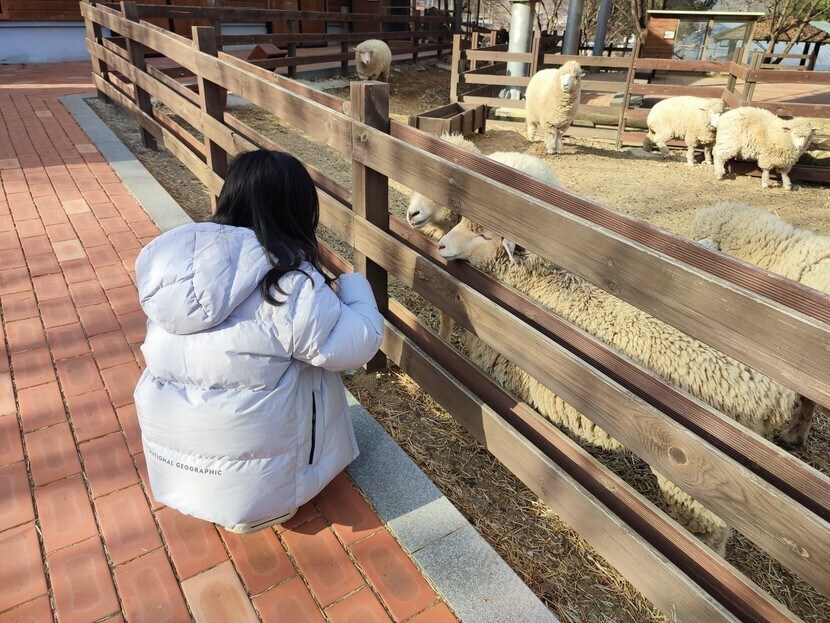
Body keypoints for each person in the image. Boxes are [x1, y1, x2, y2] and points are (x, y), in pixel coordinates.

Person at [133, 150, 384, 533]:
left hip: (175, 468)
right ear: (296, 211)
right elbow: (360, 343)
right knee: (315, 359)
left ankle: (218, 488)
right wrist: (353, 284)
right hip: (259, 492)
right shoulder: (288, 285)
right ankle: (271, 496)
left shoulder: (178, 269)